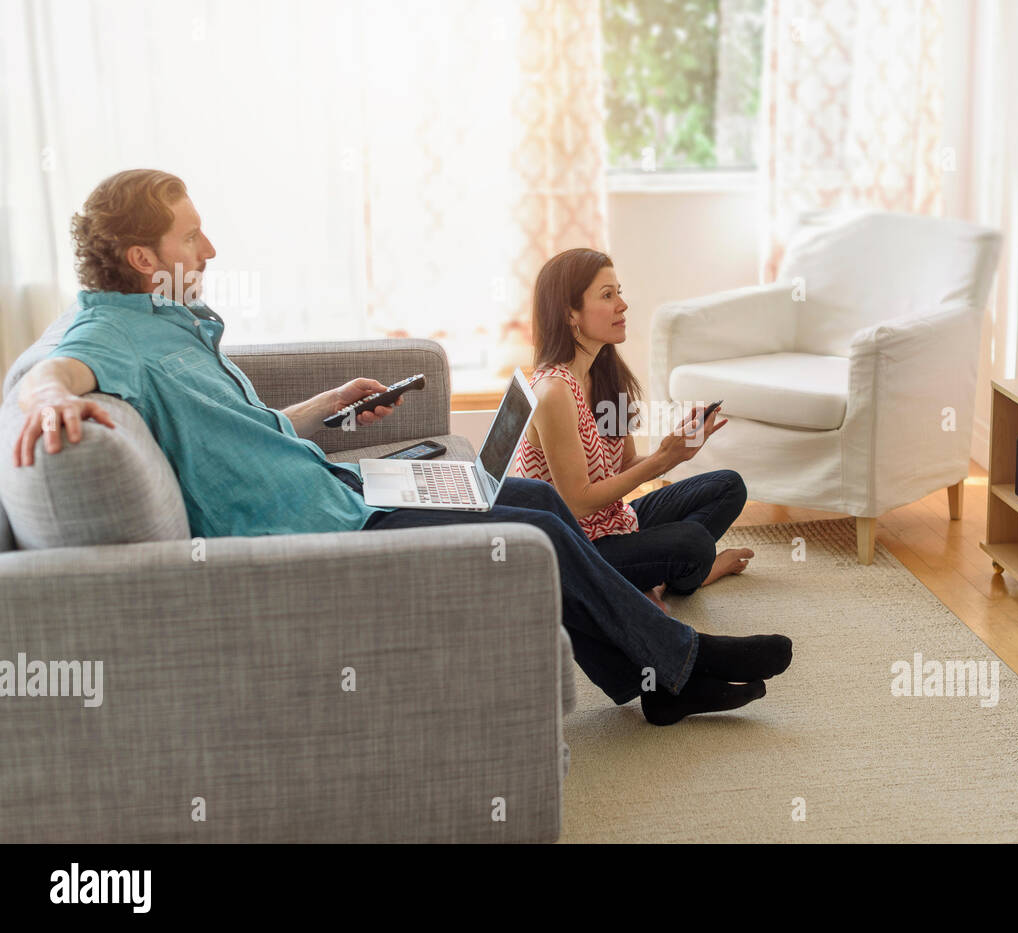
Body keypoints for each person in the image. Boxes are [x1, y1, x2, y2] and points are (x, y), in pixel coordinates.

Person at [11, 169, 792, 726]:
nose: (209, 247)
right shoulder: (111, 331)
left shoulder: (172, 322)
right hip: (314, 529)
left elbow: (243, 436)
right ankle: (679, 663)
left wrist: (326, 407)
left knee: (538, 500)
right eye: (191, 234)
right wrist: (45, 395)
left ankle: (651, 678)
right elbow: (53, 368)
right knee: (543, 528)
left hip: (333, 487)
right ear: (144, 259)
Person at [516, 248, 754, 609]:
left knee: (727, 486)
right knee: (693, 544)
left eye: (619, 292)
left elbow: (624, 464)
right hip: (575, 549)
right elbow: (576, 502)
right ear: (570, 313)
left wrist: (678, 452)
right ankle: (685, 575)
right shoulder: (553, 392)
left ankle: (652, 583)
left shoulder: (605, 374)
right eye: (607, 295)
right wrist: (661, 460)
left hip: (612, 523)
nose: (623, 305)